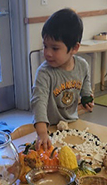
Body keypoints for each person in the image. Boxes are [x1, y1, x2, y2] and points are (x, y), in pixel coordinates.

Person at [31, 8, 94, 150]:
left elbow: (86, 90)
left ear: (74, 48)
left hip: (73, 124)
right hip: (49, 129)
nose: (47, 53)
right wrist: (42, 133)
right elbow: (38, 102)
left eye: (55, 48)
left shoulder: (82, 66)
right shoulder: (44, 73)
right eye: (45, 46)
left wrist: (88, 100)